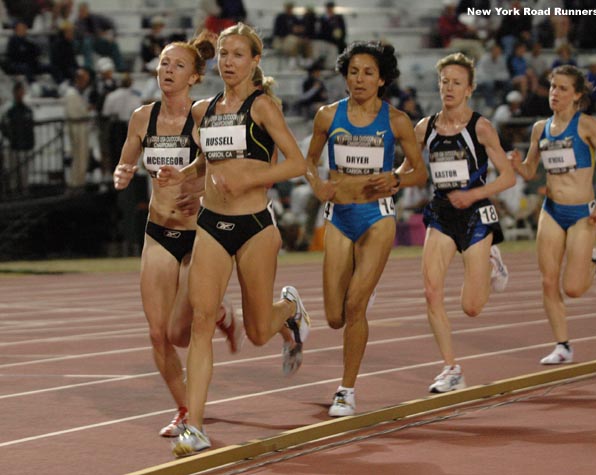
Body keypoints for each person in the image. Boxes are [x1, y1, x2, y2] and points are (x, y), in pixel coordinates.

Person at [157, 22, 310, 457]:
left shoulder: (264, 107)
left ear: (255, 61)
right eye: (223, 54)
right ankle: (197, 427)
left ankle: (289, 309)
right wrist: (182, 174)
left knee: (260, 330)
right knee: (203, 321)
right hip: (211, 225)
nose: (228, 62)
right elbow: (207, 163)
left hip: (256, 226)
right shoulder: (204, 110)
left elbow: (297, 163)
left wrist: (251, 180)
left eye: (238, 55)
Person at [112, 31, 242, 440]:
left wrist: (195, 187)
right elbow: (127, 160)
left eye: (178, 65)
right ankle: (185, 409)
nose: (168, 70)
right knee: (157, 333)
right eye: (164, 63)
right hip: (159, 231)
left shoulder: (203, 116)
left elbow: (223, 169)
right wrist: (123, 172)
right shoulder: (142, 117)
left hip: (200, 233)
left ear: (195, 76)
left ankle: (219, 313)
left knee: (180, 333)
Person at [305, 40, 428, 417]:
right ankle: (306, 307)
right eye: (354, 72)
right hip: (339, 217)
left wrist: (395, 180)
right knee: (334, 317)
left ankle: (346, 390)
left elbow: (419, 171)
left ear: (382, 79)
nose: (359, 79)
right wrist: (317, 185)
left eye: (368, 73)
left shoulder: (396, 120)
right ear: (345, 76)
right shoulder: (327, 116)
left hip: (378, 217)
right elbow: (307, 161)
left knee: (355, 306)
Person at [414, 52, 516, 393]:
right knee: (431, 292)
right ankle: (451, 368)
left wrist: (473, 195)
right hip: (442, 214)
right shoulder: (424, 128)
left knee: (471, 307)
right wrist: (393, 179)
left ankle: (490, 262)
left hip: (475, 216)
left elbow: (508, 177)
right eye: (444, 81)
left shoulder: (480, 127)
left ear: (469, 89)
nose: (449, 88)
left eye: (457, 83)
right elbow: (411, 169)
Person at [508, 65, 596, 365]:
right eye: (553, 86)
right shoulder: (540, 128)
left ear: (577, 94)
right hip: (551, 211)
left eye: (563, 88)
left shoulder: (586, 125)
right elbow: (530, 171)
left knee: (574, 288)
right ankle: (562, 345)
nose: (555, 93)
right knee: (548, 281)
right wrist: (517, 164)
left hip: (582, 214)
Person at [0, 81, 34, 195]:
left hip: (25, 146)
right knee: (12, 171)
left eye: (22, 91)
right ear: (14, 92)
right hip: (13, 146)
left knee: (24, 172)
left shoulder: (27, 110)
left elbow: (30, 128)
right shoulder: (9, 110)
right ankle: (13, 193)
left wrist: (31, 142)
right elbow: (3, 125)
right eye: (18, 91)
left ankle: (24, 191)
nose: (21, 93)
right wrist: (10, 138)